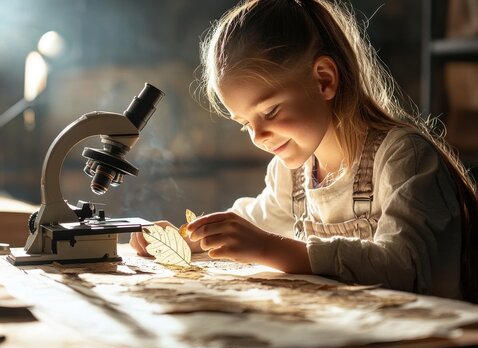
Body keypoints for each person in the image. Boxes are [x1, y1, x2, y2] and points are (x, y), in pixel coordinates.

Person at [130, 0, 478, 303]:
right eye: (245, 123)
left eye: (269, 112)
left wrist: (270, 249)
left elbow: (405, 268)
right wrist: (185, 240)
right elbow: (254, 223)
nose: (258, 136)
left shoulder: (404, 158)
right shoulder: (293, 171)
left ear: (324, 79)